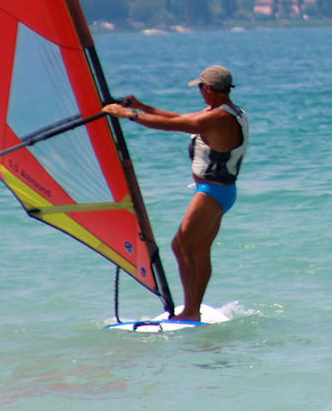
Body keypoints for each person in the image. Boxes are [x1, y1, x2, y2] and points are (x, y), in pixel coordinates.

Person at [103, 65, 249, 322]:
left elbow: (172, 126)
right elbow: (176, 117)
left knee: (180, 246)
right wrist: (142, 106)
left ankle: (191, 311)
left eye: (201, 87)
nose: (200, 92)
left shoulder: (217, 118)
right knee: (199, 249)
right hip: (222, 192)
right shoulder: (225, 111)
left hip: (211, 192)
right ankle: (195, 307)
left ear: (208, 89)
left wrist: (128, 115)